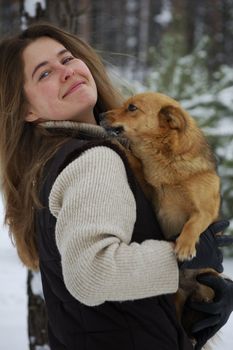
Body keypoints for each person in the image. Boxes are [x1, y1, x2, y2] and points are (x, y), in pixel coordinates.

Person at [0, 23, 232, 350]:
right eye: (44, 74)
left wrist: (200, 290)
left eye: (66, 59)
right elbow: (92, 274)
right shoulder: (95, 159)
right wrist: (181, 259)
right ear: (27, 109)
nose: (65, 72)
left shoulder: (51, 160)